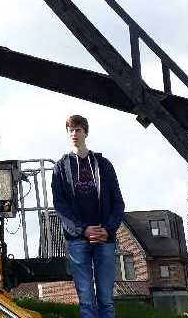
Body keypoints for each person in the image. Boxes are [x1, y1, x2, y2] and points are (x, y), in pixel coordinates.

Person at [51, 115, 124, 318]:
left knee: (106, 299)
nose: (74, 134)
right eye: (71, 130)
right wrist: (83, 229)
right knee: (86, 300)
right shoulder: (60, 168)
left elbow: (118, 203)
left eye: (78, 130)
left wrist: (107, 230)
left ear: (86, 133)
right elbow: (60, 206)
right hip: (77, 241)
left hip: (104, 239)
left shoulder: (103, 165)